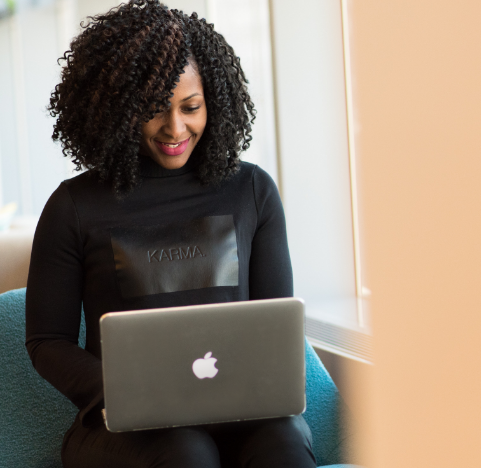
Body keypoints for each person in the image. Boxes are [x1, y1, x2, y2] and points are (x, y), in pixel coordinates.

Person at [24, 1, 316, 467]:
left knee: (282, 442)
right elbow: (47, 341)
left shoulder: (252, 191)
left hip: (242, 417)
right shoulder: (73, 207)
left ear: (213, 102)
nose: (175, 128)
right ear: (119, 110)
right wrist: (131, 392)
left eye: (191, 107)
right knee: (187, 451)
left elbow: (275, 327)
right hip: (127, 429)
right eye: (154, 110)